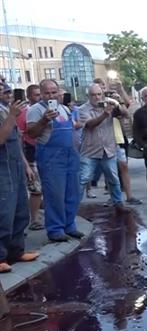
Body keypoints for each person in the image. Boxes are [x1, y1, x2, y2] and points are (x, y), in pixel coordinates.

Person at [27, 79, 82, 242]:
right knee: (55, 195)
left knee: (73, 193)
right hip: (51, 158)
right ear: (41, 94)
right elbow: (31, 133)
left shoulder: (64, 108)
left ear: (59, 92)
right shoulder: (35, 110)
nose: (51, 95)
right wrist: (44, 120)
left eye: (53, 92)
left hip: (71, 156)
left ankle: (69, 225)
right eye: (47, 93)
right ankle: (55, 229)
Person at [0, 82, 39, 273]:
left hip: (15, 165)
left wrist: (25, 165)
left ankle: (16, 251)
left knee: (20, 209)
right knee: (4, 212)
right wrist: (12, 116)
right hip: (2, 167)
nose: (6, 91)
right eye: (2, 88)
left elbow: (16, 142)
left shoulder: (6, 109)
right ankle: (0, 257)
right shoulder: (8, 113)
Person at [78, 84, 125, 210]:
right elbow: (90, 125)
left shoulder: (109, 104)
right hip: (90, 150)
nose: (97, 97)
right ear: (88, 96)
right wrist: (105, 114)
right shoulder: (83, 109)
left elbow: (125, 114)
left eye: (99, 94)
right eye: (93, 95)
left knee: (113, 178)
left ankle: (118, 202)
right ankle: (73, 205)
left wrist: (118, 102)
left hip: (108, 149)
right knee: (83, 178)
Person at [16, 84, 44, 230]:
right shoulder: (23, 114)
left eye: (41, 94)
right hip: (31, 153)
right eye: (36, 95)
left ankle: (38, 214)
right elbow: (19, 138)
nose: (39, 97)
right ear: (28, 97)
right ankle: (34, 218)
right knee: (36, 189)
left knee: (42, 189)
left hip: (44, 153)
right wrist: (25, 163)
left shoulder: (46, 110)